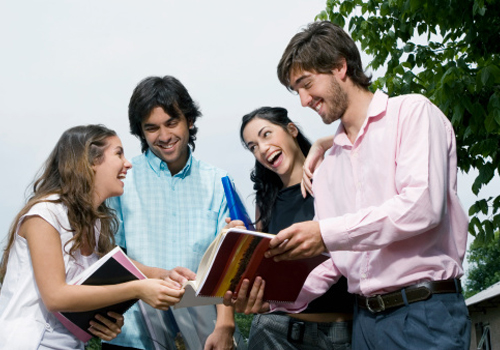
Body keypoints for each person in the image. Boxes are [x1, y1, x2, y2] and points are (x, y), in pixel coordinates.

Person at [225, 21, 471, 350]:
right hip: (364, 326)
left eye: (306, 84)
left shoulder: (412, 113)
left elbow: (421, 207)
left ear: (340, 66)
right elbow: (333, 262)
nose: (303, 100)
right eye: (295, 90)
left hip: (424, 314)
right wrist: (271, 300)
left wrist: (325, 233)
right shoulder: (328, 167)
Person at [0, 124, 190, 350]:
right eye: (118, 153)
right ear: (90, 161)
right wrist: (138, 288)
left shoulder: (94, 222)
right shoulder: (45, 215)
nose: (128, 163)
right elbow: (55, 297)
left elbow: (116, 264)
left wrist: (163, 275)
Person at [103, 76, 244, 350]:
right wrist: (156, 275)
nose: (164, 136)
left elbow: (228, 262)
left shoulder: (219, 181)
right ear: (141, 132)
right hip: (133, 333)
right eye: (152, 128)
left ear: (189, 121)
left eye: (172, 123)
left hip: (205, 333)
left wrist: (225, 325)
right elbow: (109, 254)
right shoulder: (121, 181)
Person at [240, 106, 353, 350]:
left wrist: (322, 143)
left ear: (291, 129)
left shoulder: (333, 173)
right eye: (252, 146)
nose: (261, 149)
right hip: (278, 332)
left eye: (266, 134)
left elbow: (368, 138)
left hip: (343, 331)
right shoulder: (266, 202)